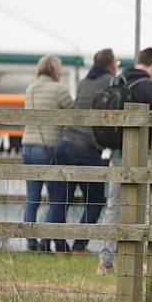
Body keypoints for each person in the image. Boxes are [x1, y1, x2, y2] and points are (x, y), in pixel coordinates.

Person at [96, 48, 152, 276]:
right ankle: (141, 261)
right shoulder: (151, 88)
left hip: (117, 153)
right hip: (143, 156)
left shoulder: (116, 81)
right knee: (144, 207)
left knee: (114, 206)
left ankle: (105, 262)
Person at [50, 48, 117, 255]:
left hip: (65, 143)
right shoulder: (111, 82)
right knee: (95, 199)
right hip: (87, 147)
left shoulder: (83, 82)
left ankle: (60, 248)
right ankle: (79, 246)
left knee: (61, 199)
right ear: (112, 64)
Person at [22, 55, 73, 253]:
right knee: (57, 197)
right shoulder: (59, 89)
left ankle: (30, 241)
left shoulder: (30, 88)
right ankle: (46, 238)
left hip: (28, 146)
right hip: (48, 148)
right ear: (55, 71)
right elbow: (74, 111)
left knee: (32, 197)